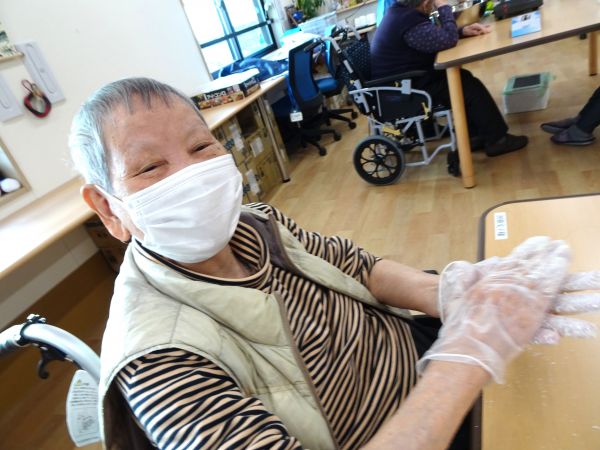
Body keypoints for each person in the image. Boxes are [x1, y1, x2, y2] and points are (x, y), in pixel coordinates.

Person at [69, 77, 598, 450]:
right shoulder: (157, 361)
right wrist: (469, 355)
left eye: (200, 146)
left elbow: (357, 266)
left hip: (422, 356)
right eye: (150, 167)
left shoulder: (255, 222)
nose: (190, 175)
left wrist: (452, 294)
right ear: (108, 209)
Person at [370, 0, 528, 157]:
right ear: (425, 3)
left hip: (404, 82)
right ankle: (497, 140)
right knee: (468, 87)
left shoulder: (400, 14)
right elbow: (447, 41)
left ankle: (475, 135)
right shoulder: (407, 21)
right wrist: (444, 8)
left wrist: (462, 31)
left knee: (464, 81)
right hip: (403, 90)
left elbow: (431, 37)